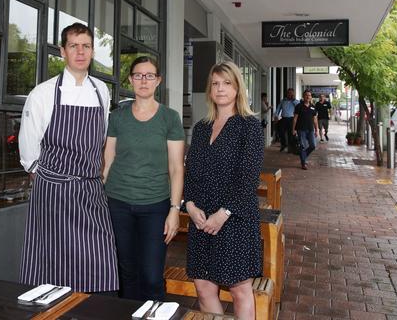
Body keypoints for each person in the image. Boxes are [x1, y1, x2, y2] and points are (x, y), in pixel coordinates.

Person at [18, 23, 118, 293]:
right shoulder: (43, 93)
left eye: (86, 46)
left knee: (100, 257)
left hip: (90, 188)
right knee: (52, 262)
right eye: (74, 46)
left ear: (93, 51)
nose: (80, 51)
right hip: (53, 189)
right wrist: (48, 177)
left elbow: (102, 139)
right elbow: (28, 148)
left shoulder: (101, 91)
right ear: (62, 51)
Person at [183, 61, 263, 319]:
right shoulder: (201, 128)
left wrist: (224, 213)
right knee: (203, 287)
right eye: (215, 84)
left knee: (240, 289)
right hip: (201, 219)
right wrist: (190, 205)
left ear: (238, 88)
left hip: (235, 219)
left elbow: (248, 179)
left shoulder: (249, 126)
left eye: (227, 83)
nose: (220, 89)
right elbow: (191, 173)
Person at [103, 56, 185, 301]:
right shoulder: (117, 117)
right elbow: (107, 161)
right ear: (130, 79)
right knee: (126, 273)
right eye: (138, 75)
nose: (143, 80)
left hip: (155, 206)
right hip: (118, 203)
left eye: (150, 76)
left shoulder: (169, 118)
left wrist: (174, 210)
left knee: (151, 275)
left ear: (158, 81)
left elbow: (176, 168)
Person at [292, 90, 319, 170]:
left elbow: (315, 120)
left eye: (309, 95)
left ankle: (303, 157)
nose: (308, 97)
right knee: (302, 146)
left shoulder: (313, 107)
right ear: (303, 96)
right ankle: (303, 163)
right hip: (301, 129)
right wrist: (293, 129)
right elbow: (295, 119)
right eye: (306, 95)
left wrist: (317, 130)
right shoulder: (298, 106)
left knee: (313, 146)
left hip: (310, 129)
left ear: (311, 97)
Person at [275, 88, 299, 153]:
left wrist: (293, 100)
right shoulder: (283, 101)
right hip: (284, 119)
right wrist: (276, 115)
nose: (290, 94)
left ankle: (290, 148)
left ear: (293, 94)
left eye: (291, 93)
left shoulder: (296, 101)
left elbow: (298, 107)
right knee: (281, 132)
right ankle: (283, 145)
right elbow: (278, 108)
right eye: (289, 93)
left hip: (291, 119)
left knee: (290, 134)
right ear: (287, 93)